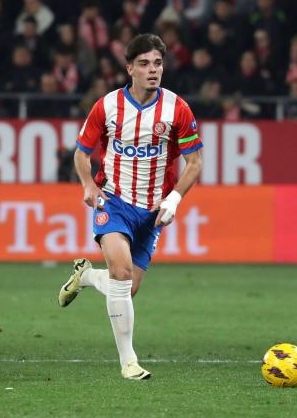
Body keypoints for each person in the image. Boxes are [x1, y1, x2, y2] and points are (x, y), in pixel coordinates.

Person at [57, 33, 203, 380]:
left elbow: (194, 162)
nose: (153, 70)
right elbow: (80, 153)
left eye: (158, 63)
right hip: (115, 201)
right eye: (144, 64)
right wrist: (88, 183)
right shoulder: (107, 107)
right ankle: (128, 361)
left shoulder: (177, 108)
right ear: (129, 68)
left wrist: (175, 198)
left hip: (152, 213)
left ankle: (87, 276)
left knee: (128, 288)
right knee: (121, 274)